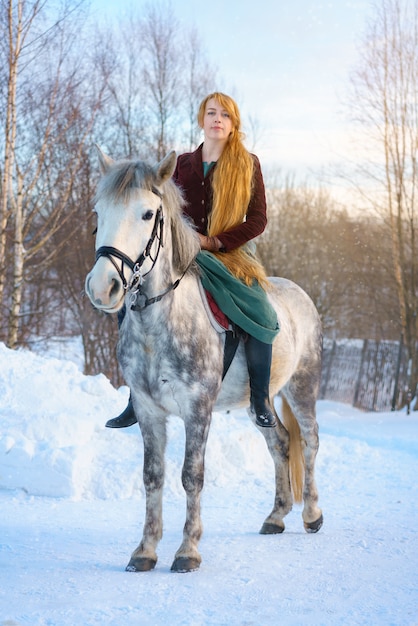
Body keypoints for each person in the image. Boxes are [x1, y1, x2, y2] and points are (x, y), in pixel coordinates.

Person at [106, 92, 279, 429]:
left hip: (231, 253)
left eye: (225, 115)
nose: (217, 119)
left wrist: (215, 241)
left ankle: (260, 400)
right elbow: (166, 211)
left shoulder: (248, 163)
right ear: (201, 120)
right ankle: (136, 396)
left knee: (261, 311)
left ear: (233, 124)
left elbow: (257, 221)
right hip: (183, 248)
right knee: (135, 296)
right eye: (211, 113)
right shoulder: (182, 164)